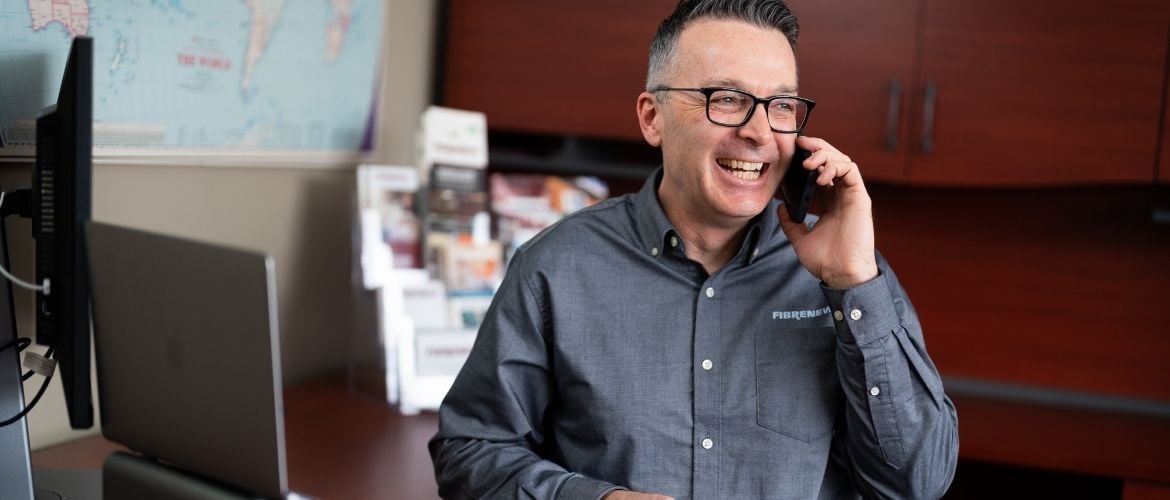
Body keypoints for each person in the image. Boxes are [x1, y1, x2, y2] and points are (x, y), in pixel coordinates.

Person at [429, 0, 959, 498]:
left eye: (780, 105)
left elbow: (917, 484)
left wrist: (853, 283)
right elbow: (470, 450)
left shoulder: (847, 272)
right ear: (652, 118)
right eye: (726, 99)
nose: (759, 133)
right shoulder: (556, 268)